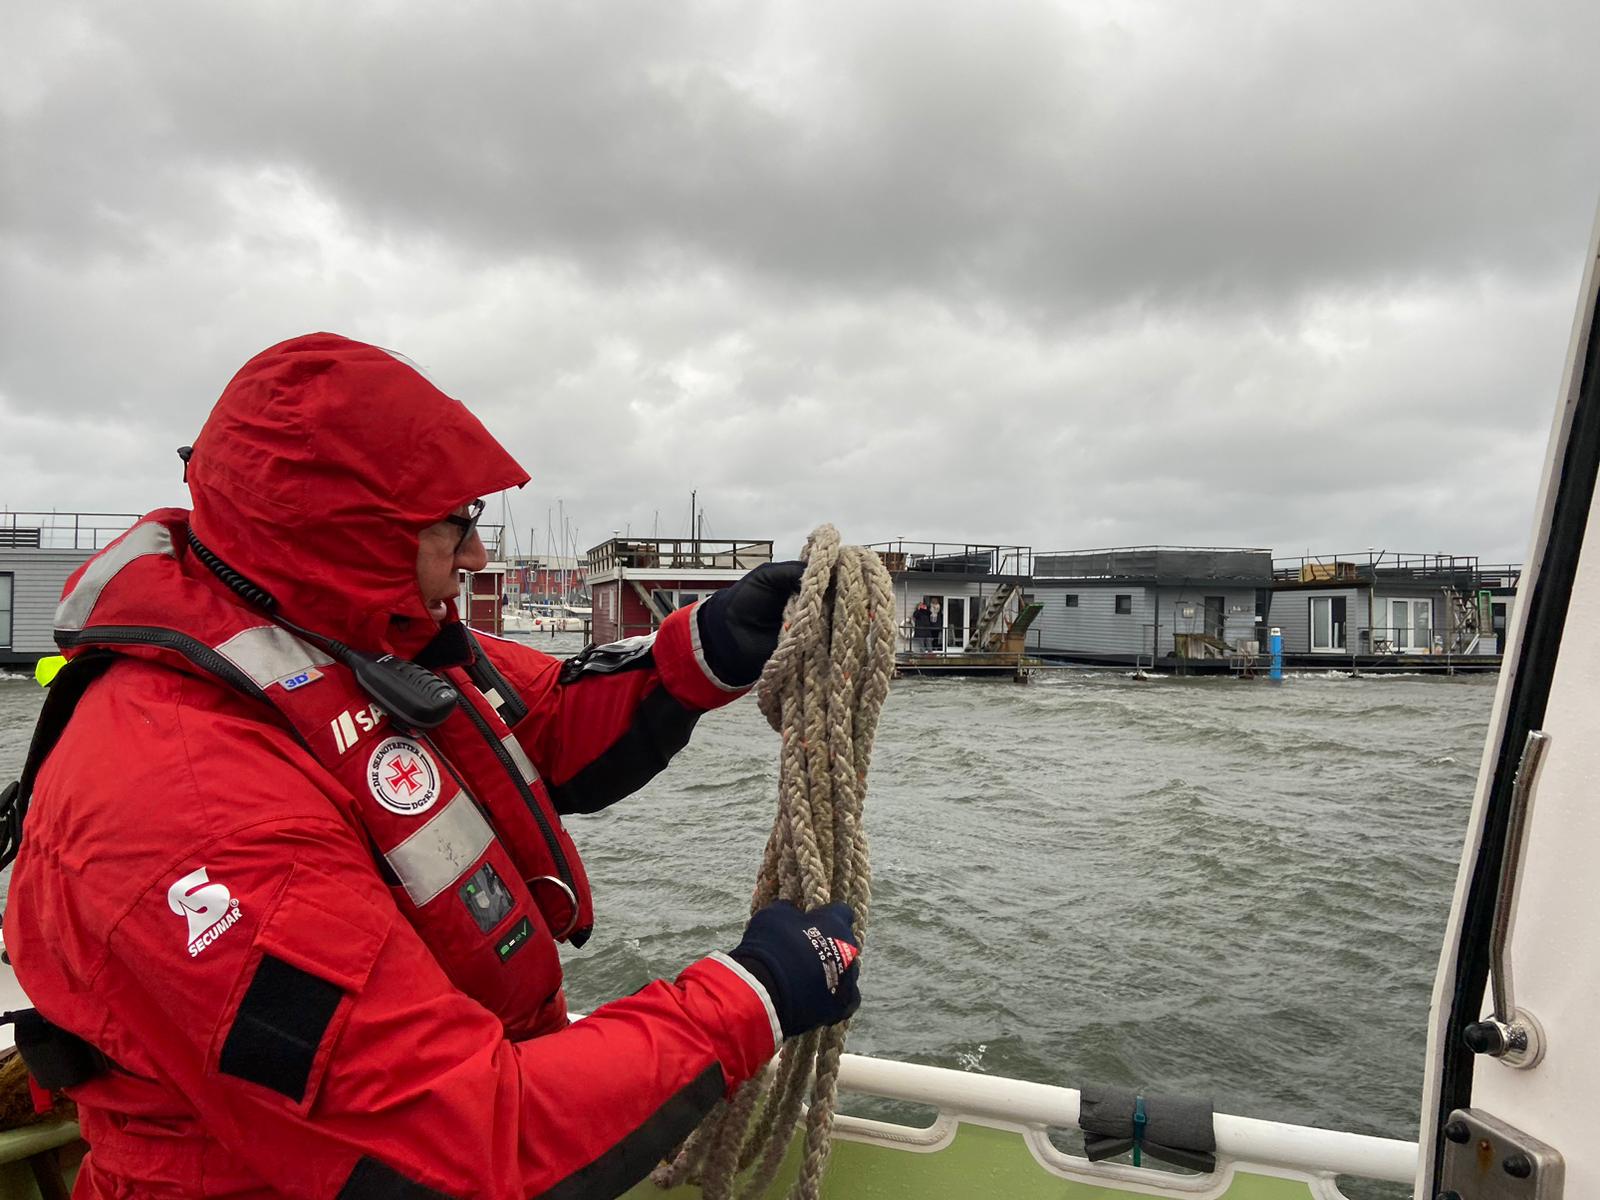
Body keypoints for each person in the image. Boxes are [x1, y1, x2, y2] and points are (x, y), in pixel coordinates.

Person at [2, 334, 861, 1199]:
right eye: (455, 522)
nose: (479, 556)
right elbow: (460, 1144)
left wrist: (706, 648)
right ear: (350, 532)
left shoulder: (358, 640)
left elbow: (543, 723)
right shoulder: (185, 803)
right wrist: (753, 996)